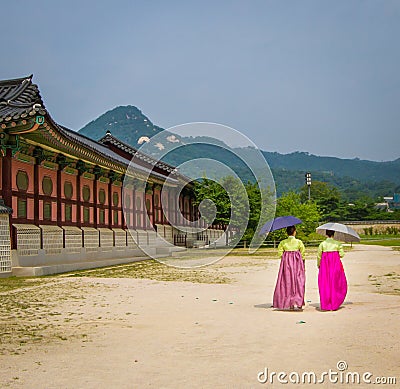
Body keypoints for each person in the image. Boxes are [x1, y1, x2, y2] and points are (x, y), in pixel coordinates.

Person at [273, 225, 306, 310]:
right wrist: (302, 262)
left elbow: (280, 254)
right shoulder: (299, 242)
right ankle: (299, 303)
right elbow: (302, 254)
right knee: (299, 281)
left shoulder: (283, 242)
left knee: (287, 282)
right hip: (297, 264)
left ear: (287, 233)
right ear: (294, 232)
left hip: (286, 264)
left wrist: (286, 258)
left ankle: (290, 303)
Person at [317, 229, 347, 311]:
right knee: (335, 282)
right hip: (335, 264)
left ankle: (326, 303)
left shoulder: (322, 244)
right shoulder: (337, 244)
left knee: (325, 283)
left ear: (326, 234)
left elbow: (319, 256)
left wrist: (318, 265)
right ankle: (335, 302)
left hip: (325, 265)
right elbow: (341, 255)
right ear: (334, 234)